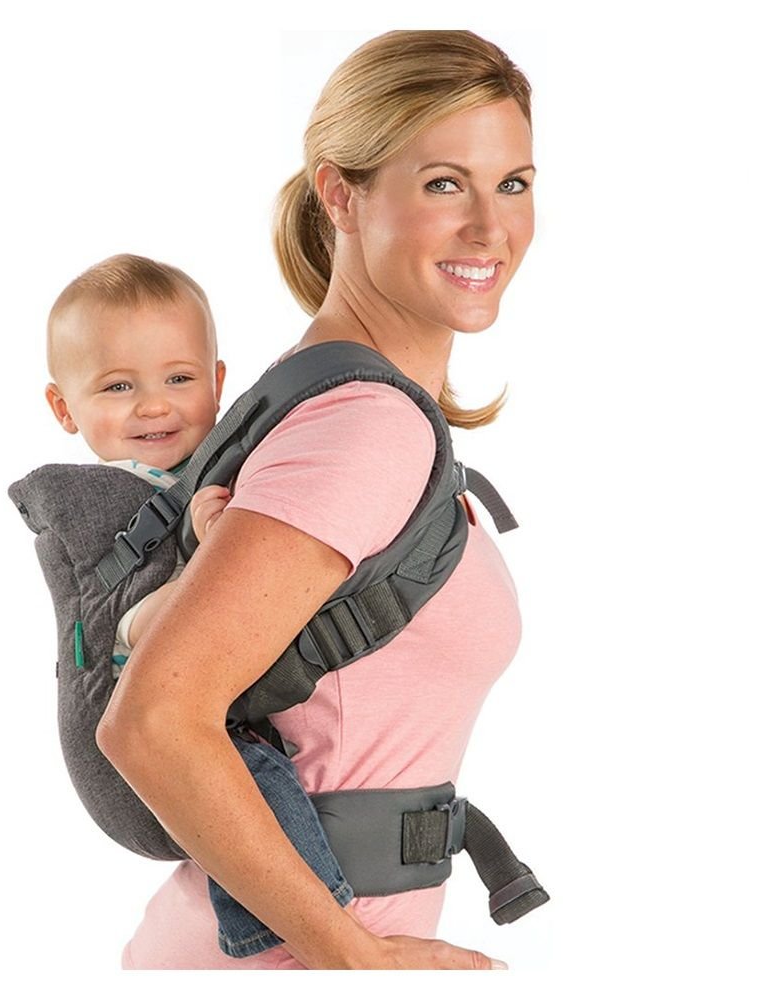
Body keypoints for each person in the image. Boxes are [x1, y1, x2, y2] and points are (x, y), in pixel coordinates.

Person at [97, 30, 537, 970]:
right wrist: (357, 963)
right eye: (444, 184)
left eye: (513, 183)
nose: (490, 227)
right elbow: (153, 720)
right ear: (341, 194)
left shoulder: (327, 397)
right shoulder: (364, 428)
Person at [42, 253, 353, 957]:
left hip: (180, 722)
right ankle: (287, 929)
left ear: (218, 382)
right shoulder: (101, 509)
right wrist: (217, 555)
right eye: (118, 386)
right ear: (64, 408)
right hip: (122, 750)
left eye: (178, 379)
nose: (154, 405)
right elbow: (137, 624)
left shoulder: (200, 473)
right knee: (247, 777)